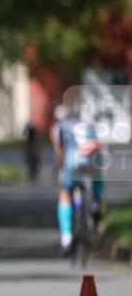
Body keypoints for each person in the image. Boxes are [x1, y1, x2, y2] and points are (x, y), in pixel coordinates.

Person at [50, 104, 104, 256]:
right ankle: (95, 203)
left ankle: (66, 238)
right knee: (98, 176)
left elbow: (58, 149)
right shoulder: (89, 125)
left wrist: (60, 164)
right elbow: (98, 146)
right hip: (90, 163)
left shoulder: (60, 127)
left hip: (71, 164)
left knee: (65, 194)